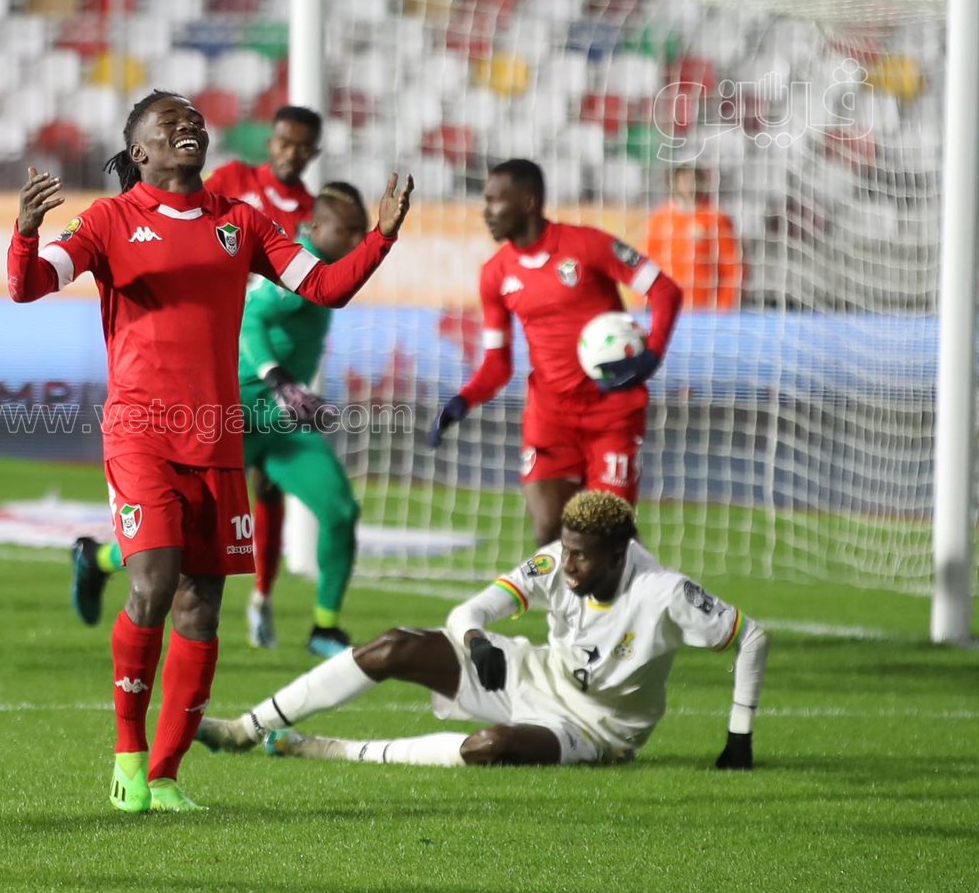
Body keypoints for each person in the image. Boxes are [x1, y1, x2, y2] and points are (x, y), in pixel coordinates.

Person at [9, 90, 413, 813]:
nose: (189, 127)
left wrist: (378, 238)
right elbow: (29, 285)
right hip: (140, 431)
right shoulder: (107, 221)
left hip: (219, 436)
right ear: (140, 151)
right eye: (171, 123)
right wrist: (25, 234)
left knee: (200, 609)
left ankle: (166, 777)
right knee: (153, 583)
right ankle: (128, 759)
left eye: (194, 120)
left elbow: (324, 287)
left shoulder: (241, 221)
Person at [198, 491, 769, 771]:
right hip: (536, 674)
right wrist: (474, 639)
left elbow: (752, 637)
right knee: (394, 645)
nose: (568, 566)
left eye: (582, 556)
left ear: (619, 556)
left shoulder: (664, 593)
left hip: (599, 729)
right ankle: (245, 729)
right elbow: (471, 610)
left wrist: (738, 738)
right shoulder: (555, 562)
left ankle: (327, 749)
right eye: (566, 550)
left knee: (490, 747)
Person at [71, 181, 370, 659]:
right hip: (234, 415)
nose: (355, 240)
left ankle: (325, 626)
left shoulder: (322, 268)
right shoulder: (299, 268)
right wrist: (277, 377)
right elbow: (252, 320)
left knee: (339, 510)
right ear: (315, 226)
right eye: (347, 231)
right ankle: (100, 557)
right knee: (176, 546)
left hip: (280, 422)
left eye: (361, 232)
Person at [429, 158, 684, 545]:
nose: (487, 212)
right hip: (550, 416)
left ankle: (639, 579)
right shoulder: (495, 274)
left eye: (496, 201)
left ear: (528, 202)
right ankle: (563, 591)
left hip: (612, 411)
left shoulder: (588, 245)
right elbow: (498, 364)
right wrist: (462, 401)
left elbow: (665, 290)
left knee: (605, 534)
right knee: (548, 528)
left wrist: (651, 354)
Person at [202, 105, 323, 641]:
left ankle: (261, 597)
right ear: (271, 142)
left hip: (264, 356)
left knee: (267, 482)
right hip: (213, 343)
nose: (291, 152)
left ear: (314, 152)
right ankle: (116, 560)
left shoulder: (315, 215)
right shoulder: (232, 180)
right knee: (202, 476)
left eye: (302, 145)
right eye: (284, 141)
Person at [645, 165, 743, 311]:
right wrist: (645, 303)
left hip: (705, 308)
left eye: (693, 180)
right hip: (666, 306)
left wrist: (724, 306)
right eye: (684, 180)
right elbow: (648, 263)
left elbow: (733, 268)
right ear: (674, 183)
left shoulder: (716, 218)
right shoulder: (660, 218)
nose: (689, 186)